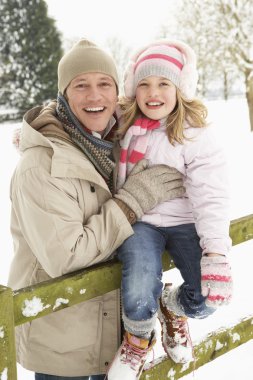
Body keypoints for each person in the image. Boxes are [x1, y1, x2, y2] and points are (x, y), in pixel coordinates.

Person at [7, 39, 185, 380]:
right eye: (81, 86)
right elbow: (67, 255)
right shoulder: (40, 166)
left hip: (115, 336)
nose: (94, 96)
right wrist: (133, 200)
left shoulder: (121, 144)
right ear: (63, 95)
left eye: (104, 84)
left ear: (117, 92)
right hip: (62, 341)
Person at [107, 39, 233, 380]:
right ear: (135, 88)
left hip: (184, 222)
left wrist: (216, 252)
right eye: (145, 83)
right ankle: (138, 341)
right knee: (138, 284)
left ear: (180, 88)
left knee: (207, 298)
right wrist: (43, 130)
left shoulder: (195, 133)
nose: (153, 92)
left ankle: (172, 307)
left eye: (164, 83)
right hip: (141, 222)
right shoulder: (122, 119)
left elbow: (211, 193)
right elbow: (82, 113)